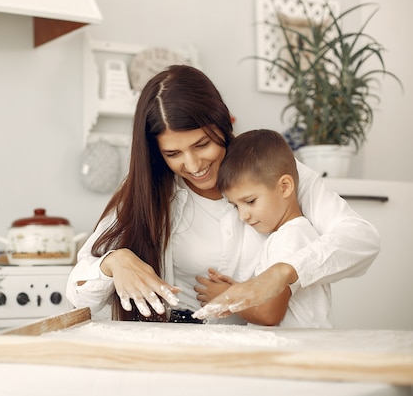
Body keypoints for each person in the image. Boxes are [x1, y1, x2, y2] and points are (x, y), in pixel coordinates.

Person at [65, 65, 378, 324]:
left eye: (202, 145)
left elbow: (361, 238)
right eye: (173, 153)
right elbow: (78, 295)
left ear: (223, 123)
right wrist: (115, 262)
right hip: (178, 349)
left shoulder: (271, 170)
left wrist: (284, 273)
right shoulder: (145, 190)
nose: (193, 165)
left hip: (259, 354)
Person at [192, 129, 331, 327]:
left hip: (298, 353)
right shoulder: (287, 235)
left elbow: (270, 313)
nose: (243, 215)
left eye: (250, 201)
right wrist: (241, 290)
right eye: (235, 205)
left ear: (284, 187)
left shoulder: (291, 238)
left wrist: (227, 298)